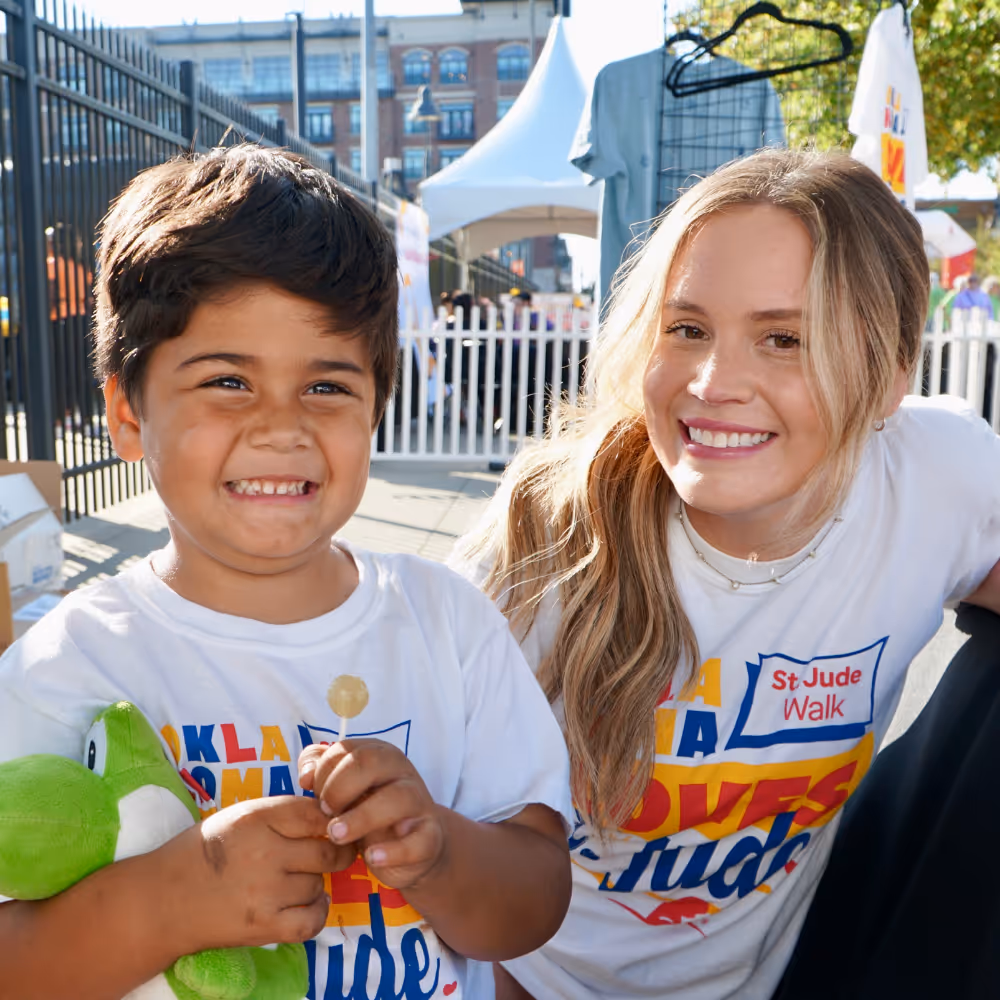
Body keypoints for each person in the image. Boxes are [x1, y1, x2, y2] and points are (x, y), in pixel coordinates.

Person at [0, 145, 573, 1000]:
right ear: (126, 415)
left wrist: (439, 850)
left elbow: (534, 902)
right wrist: (173, 899)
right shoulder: (66, 668)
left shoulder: (445, 622)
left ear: (376, 404)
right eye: (227, 380)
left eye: (327, 387)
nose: (281, 427)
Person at [455, 148, 1000, 999]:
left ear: (892, 376)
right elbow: (430, 826)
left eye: (784, 339)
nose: (714, 384)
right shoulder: (549, 535)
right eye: (688, 329)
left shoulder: (938, 480)